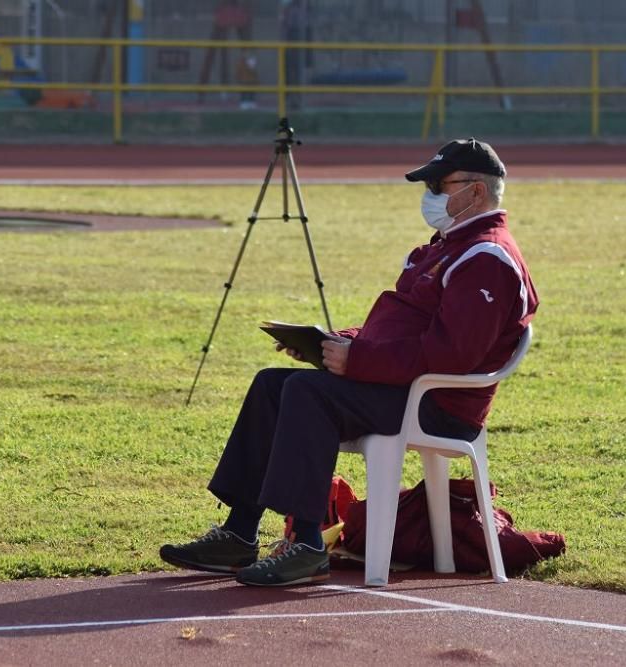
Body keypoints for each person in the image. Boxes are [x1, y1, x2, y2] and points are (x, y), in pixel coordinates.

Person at [160, 138, 539, 587]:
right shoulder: (444, 247)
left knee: (305, 392)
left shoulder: (486, 257)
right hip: (400, 387)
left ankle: (306, 542)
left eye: (440, 184)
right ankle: (240, 532)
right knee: (271, 385)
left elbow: (452, 356)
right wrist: (330, 344)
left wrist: (358, 359)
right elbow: (395, 330)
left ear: (476, 191)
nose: (430, 194)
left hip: (438, 404)